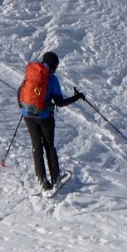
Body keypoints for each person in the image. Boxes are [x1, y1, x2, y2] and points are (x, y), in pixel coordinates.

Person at [19, 51, 84, 191]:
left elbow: (21, 91)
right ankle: (55, 177)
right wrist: (76, 97)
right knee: (49, 146)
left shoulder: (31, 72)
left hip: (28, 115)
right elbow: (59, 103)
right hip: (45, 117)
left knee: (36, 147)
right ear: (54, 65)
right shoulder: (52, 79)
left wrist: (25, 107)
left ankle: (41, 179)